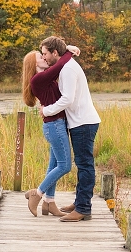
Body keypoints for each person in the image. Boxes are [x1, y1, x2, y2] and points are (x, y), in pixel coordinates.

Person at [39, 36, 101, 222]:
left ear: (55, 53)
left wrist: (46, 110)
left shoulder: (67, 69)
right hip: (80, 122)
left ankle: (83, 209)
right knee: (83, 164)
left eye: (45, 54)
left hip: (83, 122)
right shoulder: (66, 65)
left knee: (84, 165)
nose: (44, 58)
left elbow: (68, 99)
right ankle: (80, 202)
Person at [21, 44, 80, 217]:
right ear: (34, 64)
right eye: (41, 56)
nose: (44, 57)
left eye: (44, 54)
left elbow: (58, 62)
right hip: (54, 126)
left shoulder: (44, 77)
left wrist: (67, 48)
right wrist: (70, 51)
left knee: (54, 165)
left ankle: (49, 202)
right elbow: (61, 64)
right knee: (65, 166)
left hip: (57, 124)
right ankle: (37, 194)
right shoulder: (37, 79)